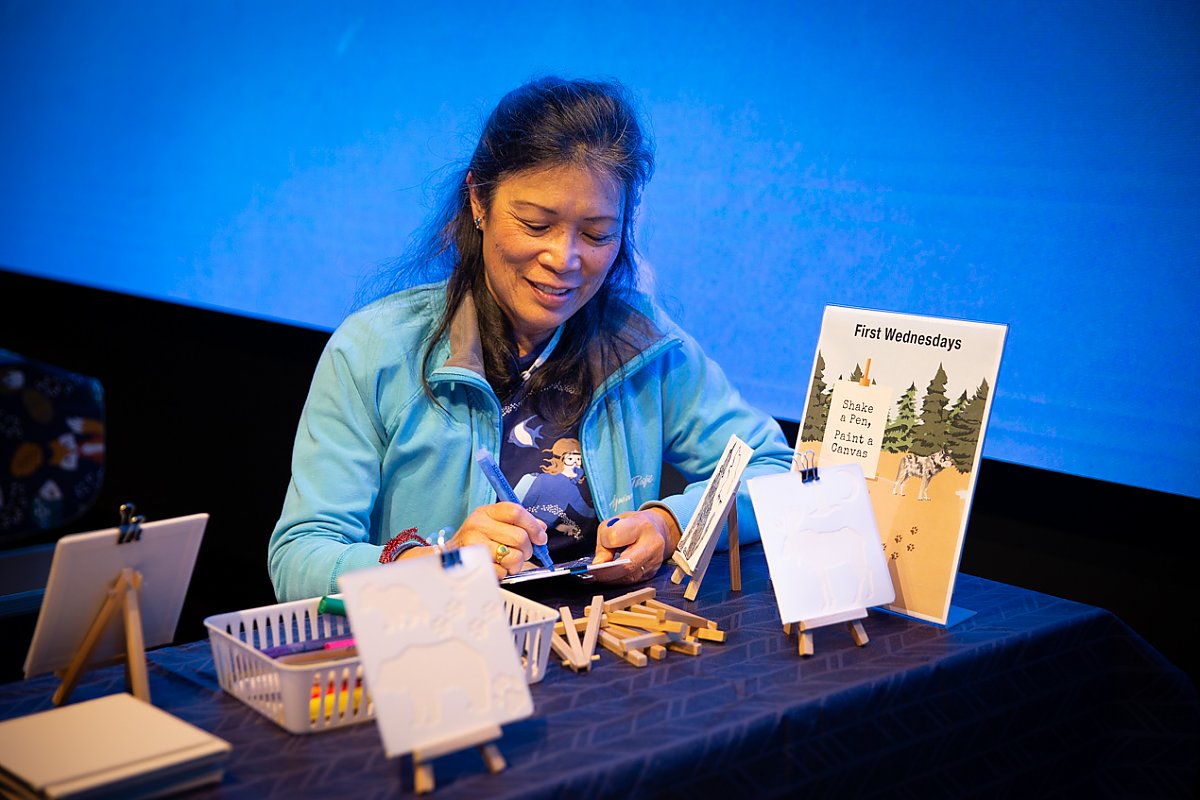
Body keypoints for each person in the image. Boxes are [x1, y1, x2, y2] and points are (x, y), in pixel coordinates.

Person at [268, 76, 793, 602]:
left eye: (596, 234)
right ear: (479, 201)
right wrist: (434, 565)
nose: (564, 260)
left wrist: (669, 524)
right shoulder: (376, 350)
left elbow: (772, 468)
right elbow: (301, 555)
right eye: (536, 225)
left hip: (599, 660)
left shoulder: (639, 344)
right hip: (446, 661)